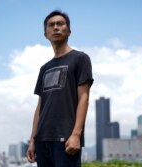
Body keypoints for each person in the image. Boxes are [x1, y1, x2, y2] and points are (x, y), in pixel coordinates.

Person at [26, 10, 94, 167]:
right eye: (51, 25)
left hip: (66, 140)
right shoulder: (44, 68)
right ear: (46, 34)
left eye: (60, 24)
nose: (55, 27)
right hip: (42, 140)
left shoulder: (80, 59)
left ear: (69, 31)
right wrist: (32, 140)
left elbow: (84, 98)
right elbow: (40, 106)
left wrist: (76, 134)